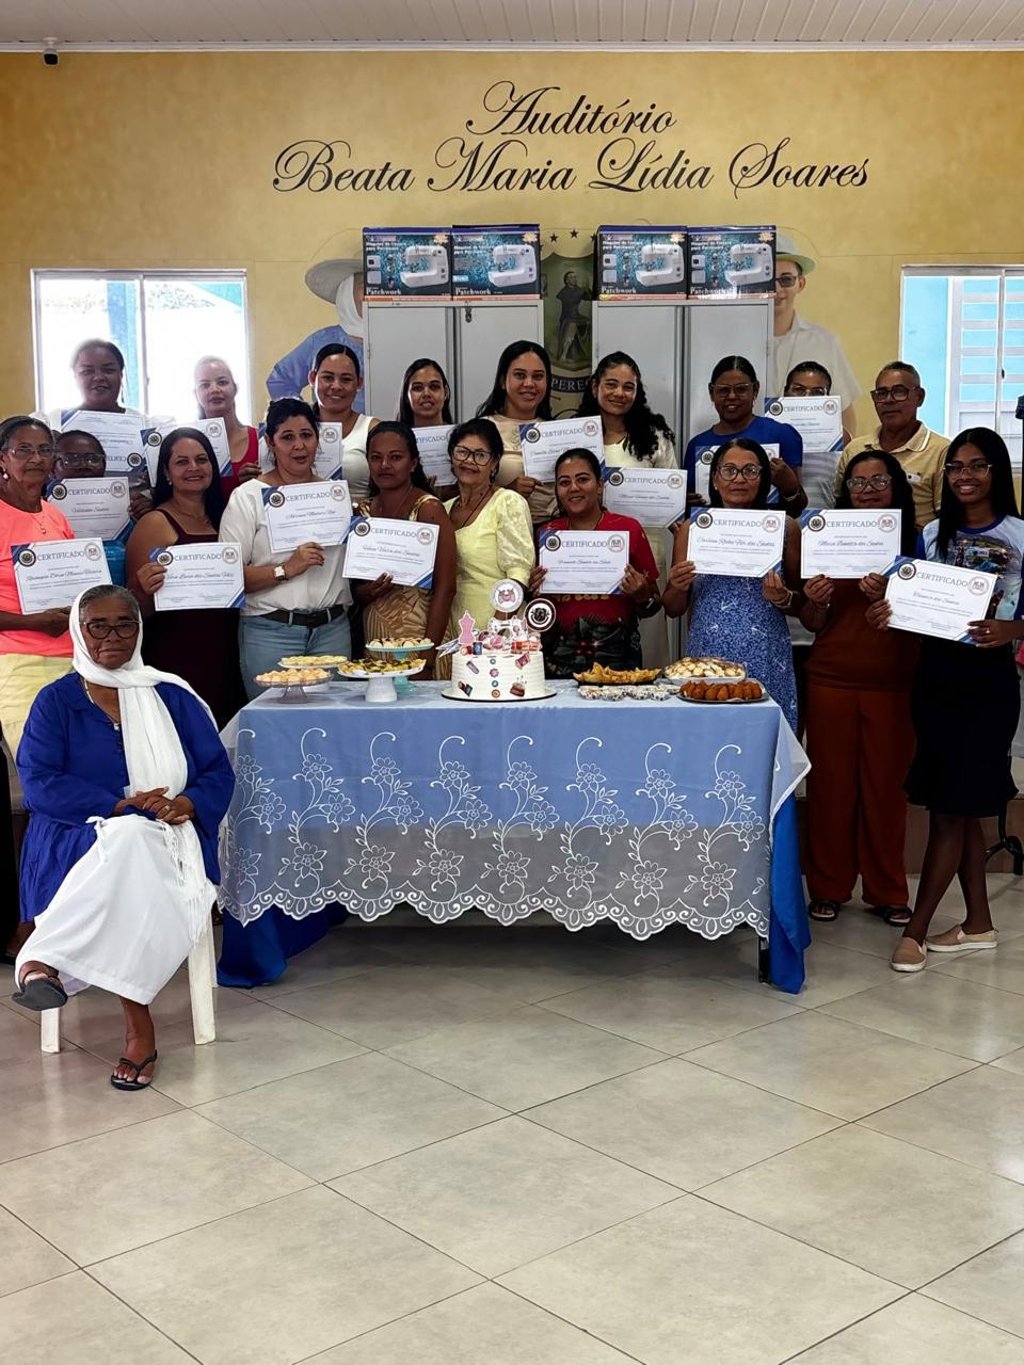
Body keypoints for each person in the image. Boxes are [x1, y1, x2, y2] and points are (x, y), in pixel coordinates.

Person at [12, 585, 234, 1090]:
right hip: (75, 836)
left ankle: (42, 960)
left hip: (169, 835)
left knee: (134, 842)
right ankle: (138, 1027)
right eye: (98, 625)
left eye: (124, 624)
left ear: (139, 630)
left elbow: (217, 773)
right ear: (78, 630)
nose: (111, 636)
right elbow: (40, 784)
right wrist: (116, 805)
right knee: (129, 840)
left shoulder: (171, 696)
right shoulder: (56, 701)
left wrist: (185, 803)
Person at [868, 428, 1024, 972]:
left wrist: (1014, 630)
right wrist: (888, 612)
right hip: (936, 679)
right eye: (955, 466)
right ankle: (978, 923)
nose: (964, 476)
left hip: (989, 684)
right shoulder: (932, 534)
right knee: (953, 803)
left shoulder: (1021, 534)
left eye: (977, 466)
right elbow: (914, 608)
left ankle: (915, 930)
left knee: (952, 811)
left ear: (997, 472)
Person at [800, 450, 920, 924]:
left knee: (886, 790)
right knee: (830, 788)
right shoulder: (826, 538)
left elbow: (928, 617)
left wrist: (893, 595)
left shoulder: (916, 540)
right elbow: (813, 621)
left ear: (896, 487)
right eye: (858, 483)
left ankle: (888, 890)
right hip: (830, 677)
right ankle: (827, 887)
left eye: (878, 481)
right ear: (845, 491)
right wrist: (813, 601)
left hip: (893, 681)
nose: (868, 491)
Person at [664, 438, 803, 729]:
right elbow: (674, 608)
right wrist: (677, 585)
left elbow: (804, 604)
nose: (739, 479)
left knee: (764, 742)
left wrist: (784, 597)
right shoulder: (692, 529)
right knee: (707, 738)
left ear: (763, 479)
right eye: (729, 470)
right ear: (715, 479)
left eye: (750, 470)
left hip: (767, 655)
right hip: (707, 658)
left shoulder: (785, 528)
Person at [219, 398, 351, 698]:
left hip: (332, 631)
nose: (299, 446)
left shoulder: (335, 496)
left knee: (335, 720)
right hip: (271, 632)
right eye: (287, 437)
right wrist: (286, 569)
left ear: (318, 439)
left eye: (306, 435)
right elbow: (227, 578)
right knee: (274, 720)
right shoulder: (249, 497)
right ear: (270, 442)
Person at [125, 427, 243, 728]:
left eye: (201, 460)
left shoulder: (227, 516)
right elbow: (135, 609)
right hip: (176, 648)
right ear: (166, 472)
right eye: (182, 462)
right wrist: (144, 589)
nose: (194, 468)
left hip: (228, 644)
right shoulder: (154, 523)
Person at [580, 351, 678, 667]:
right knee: (594, 639)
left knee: (647, 646)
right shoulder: (576, 434)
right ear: (595, 386)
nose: (619, 393)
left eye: (628, 387)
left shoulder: (654, 436)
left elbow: (672, 503)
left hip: (644, 553)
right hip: (587, 553)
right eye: (611, 384)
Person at [529, 449, 660, 677]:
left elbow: (654, 605)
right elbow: (538, 611)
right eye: (564, 482)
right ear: (557, 491)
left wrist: (641, 594)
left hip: (618, 659)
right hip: (559, 658)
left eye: (582, 479)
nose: (573, 488)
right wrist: (533, 592)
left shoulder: (628, 529)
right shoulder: (546, 534)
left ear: (599, 485)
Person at [352, 422, 456, 678]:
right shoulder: (362, 512)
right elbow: (355, 588)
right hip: (377, 637)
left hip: (421, 637)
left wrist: (427, 656)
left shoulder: (428, 508)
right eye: (376, 458)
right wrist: (366, 592)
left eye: (395, 457)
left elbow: (446, 587)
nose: (384, 465)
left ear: (413, 463)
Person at [0, 417, 75, 758]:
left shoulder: (55, 515)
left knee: (82, 762)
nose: (36, 459)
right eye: (24, 450)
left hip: (75, 658)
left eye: (44, 450)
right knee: (41, 764)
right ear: (3, 458)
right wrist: (34, 622)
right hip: (19, 662)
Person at [438, 418, 536, 675]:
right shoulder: (442, 510)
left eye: (480, 455)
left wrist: (494, 634)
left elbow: (518, 574)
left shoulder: (507, 502)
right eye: (462, 452)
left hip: (498, 635)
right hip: (453, 633)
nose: (469, 461)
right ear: (451, 456)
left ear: (494, 463)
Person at [683, 355, 806, 516]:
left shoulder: (781, 434)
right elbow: (688, 511)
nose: (732, 396)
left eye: (741, 389)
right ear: (711, 392)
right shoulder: (697, 444)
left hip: (768, 529)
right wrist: (686, 504)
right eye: (723, 390)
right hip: (714, 530)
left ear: (755, 389)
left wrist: (790, 487)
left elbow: (797, 509)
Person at [836, 361, 949, 531]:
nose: (889, 400)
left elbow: (947, 517)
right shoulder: (855, 449)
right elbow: (840, 505)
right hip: (858, 540)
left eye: (899, 392)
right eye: (881, 393)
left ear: (919, 397)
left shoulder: (941, 450)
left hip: (916, 543)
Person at [768, 233, 861, 437]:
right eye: (768, 280)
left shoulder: (824, 342)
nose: (777, 289)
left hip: (812, 453)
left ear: (801, 284)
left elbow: (844, 410)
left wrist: (845, 455)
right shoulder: (737, 341)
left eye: (786, 280)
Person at [266, 257, 365, 413]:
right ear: (347, 293)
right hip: (332, 428)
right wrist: (302, 416)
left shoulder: (396, 340)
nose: (374, 294)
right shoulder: (321, 341)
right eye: (364, 287)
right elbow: (280, 380)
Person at [477, 341, 557, 525]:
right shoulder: (482, 429)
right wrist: (507, 492)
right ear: (502, 381)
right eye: (520, 375)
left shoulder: (557, 432)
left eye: (538, 376)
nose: (529, 383)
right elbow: (466, 494)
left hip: (551, 532)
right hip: (497, 528)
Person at [51, 429, 128, 585]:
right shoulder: (38, 512)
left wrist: (140, 518)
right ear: (52, 469)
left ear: (104, 465)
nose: (84, 465)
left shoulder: (128, 510)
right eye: (71, 459)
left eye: (93, 459)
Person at [308, 343, 379, 505]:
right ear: (312, 378)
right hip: (302, 517)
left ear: (359, 383)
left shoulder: (374, 429)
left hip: (361, 518)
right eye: (328, 377)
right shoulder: (294, 430)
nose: (336, 386)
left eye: (346, 379)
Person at [193, 356, 260, 498]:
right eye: (205, 385)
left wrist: (256, 483)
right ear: (195, 394)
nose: (214, 389)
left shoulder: (261, 440)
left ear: (235, 388)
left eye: (222, 382)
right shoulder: (188, 446)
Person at [398, 357, 457, 502]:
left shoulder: (462, 439)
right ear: (406, 396)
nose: (426, 394)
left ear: (446, 392)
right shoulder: (395, 441)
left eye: (434, 387)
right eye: (418, 388)